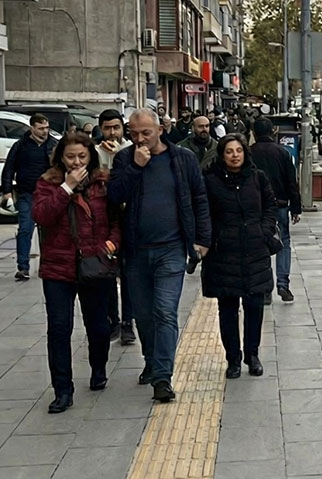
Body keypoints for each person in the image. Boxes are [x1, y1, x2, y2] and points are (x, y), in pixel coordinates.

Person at [108, 109, 211, 403]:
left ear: (160, 130)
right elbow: (114, 197)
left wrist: (202, 240)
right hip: (136, 251)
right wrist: (136, 168)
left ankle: (163, 377)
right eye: (134, 133)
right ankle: (152, 360)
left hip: (172, 249)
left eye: (146, 133)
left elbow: (199, 198)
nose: (139, 139)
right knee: (144, 315)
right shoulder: (125, 159)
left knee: (165, 311)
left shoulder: (183, 159)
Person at [32, 132, 120, 413]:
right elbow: (42, 216)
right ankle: (62, 389)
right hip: (58, 268)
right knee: (59, 329)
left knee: (98, 325)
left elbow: (117, 219)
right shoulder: (48, 183)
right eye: (70, 156)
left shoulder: (102, 183)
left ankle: (99, 367)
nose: (76, 162)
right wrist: (66, 188)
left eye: (82, 156)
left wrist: (110, 245)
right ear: (60, 157)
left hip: (95, 264)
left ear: (90, 157)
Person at [202, 134, 279, 379]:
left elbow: (270, 207)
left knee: (255, 306)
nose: (235, 155)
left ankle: (252, 355)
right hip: (223, 254)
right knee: (227, 308)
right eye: (229, 151)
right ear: (222, 155)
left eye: (238, 151)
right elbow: (204, 213)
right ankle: (232, 358)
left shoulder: (257, 178)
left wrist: (264, 231)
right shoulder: (211, 181)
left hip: (255, 251)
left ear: (245, 153)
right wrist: (213, 239)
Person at [250, 118, 302, 303]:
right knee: (283, 243)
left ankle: (265, 290)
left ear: (253, 133)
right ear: (273, 132)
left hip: (257, 207)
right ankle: (283, 284)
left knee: (260, 246)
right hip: (280, 205)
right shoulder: (283, 153)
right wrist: (296, 207)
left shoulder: (249, 154)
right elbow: (291, 181)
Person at [96, 109, 136, 345]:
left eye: (116, 128)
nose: (112, 133)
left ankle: (128, 322)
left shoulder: (131, 150)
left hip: (128, 218)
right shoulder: (93, 152)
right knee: (107, 273)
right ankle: (113, 319)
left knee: (129, 274)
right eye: (107, 128)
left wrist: (120, 155)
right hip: (104, 220)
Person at [2, 113, 55, 281]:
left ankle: (47, 264)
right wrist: (7, 191)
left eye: (46, 128)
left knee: (49, 231)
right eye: (41, 128)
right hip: (27, 193)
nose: (44, 131)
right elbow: (9, 168)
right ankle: (23, 266)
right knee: (25, 229)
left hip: (48, 194)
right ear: (32, 128)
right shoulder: (21, 146)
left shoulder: (54, 145)